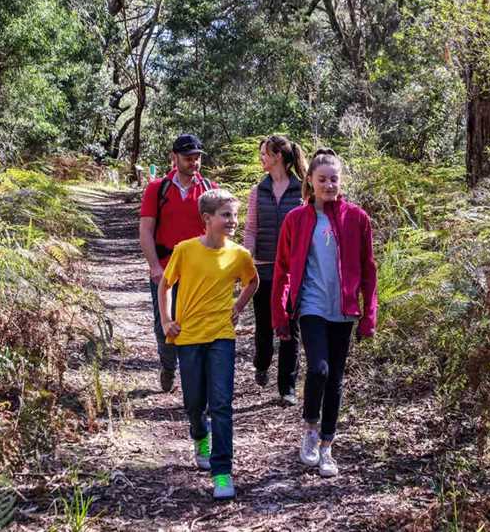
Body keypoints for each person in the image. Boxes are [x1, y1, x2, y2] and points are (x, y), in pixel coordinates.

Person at [271, 148, 377, 478]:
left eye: (334, 179)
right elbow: (283, 269)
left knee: (335, 379)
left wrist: (368, 314)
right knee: (318, 369)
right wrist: (280, 313)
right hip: (312, 306)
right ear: (310, 181)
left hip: (343, 309)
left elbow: (369, 269)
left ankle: (328, 446)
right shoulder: (297, 219)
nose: (329, 185)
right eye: (322, 179)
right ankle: (310, 431)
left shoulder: (357, 218)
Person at [158, 189, 258, 500]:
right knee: (194, 402)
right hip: (187, 337)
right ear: (207, 219)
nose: (233, 221)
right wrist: (165, 321)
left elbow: (252, 281)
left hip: (221, 337)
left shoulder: (239, 254)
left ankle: (222, 471)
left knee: (222, 403)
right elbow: (164, 284)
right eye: (226, 215)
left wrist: (238, 306)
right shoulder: (185, 251)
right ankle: (199, 434)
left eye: (234, 215)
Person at [139, 134, 215, 392]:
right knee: (165, 324)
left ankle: (194, 381)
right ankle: (168, 366)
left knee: (196, 325)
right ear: (174, 158)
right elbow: (146, 230)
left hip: (199, 271)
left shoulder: (209, 190)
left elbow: (218, 232)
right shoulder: (157, 189)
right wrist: (154, 266)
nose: (193, 163)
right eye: (188, 158)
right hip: (166, 268)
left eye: (197, 158)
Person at [243, 135, 306, 405]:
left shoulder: (302, 190)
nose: (262, 159)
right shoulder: (258, 191)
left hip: (293, 272)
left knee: (291, 328)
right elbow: (251, 229)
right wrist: (246, 259)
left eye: (265, 154)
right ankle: (261, 362)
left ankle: (287, 388)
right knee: (265, 325)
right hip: (264, 269)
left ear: (278, 155)